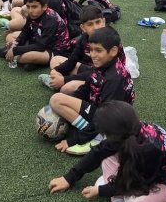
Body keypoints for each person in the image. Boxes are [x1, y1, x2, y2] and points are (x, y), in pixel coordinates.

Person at [48, 103, 166, 202]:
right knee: (107, 156)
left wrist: (101, 191)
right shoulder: (128, 131)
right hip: (146, 172)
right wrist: (69, 178)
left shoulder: (149, 149)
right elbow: (98, 152)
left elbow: (135, 184)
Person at [49, 26, 135, 156]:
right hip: (100, 109)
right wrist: (70, 103)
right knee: (61, 97)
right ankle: (88, 130)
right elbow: (86, 89)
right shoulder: (102, 65)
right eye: (91, 50)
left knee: (56, 100)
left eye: (98, 50)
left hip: (112, 123)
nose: (93, 55)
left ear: (113, 51)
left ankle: (97, 138)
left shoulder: (114, 78)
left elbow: (105, 115)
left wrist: (74, 140)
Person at [0, 0, 72, 69]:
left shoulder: (51, 19)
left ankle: (21, 58)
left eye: (34, 7)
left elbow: (41, 46)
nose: (30, 10)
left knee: (28, 57)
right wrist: (14, 46)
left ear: (44, 7)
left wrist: (15, 50)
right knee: (10, 37)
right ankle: (28, 60)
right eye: (28, 6)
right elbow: (25, 33)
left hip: (55, 49)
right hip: (38, 40)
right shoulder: (32, 14)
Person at [43, 4, 107, 93]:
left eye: (98, 22)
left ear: (104, 21)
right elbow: (72, 60)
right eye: (90, 24)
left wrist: (65, 79)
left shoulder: (109, 41)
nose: (95, 27)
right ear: (83, 28)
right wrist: (56, 70)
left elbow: (98, 73)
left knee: (67, 88)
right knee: (55, 60)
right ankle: (57, 82)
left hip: (104, 79)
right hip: (89, 70)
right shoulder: (84, 38)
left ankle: (59, 84)